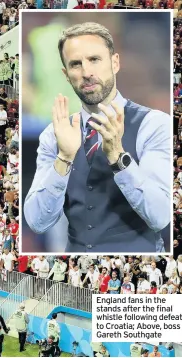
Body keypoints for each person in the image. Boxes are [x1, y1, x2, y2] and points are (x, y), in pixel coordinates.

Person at [24, 22, 171, 253]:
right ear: (66, 74)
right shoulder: (54, 135)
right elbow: (37, 222)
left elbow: (161, 217)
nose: (86, 72)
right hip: (76, 273)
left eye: (94, 59)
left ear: (115, 63)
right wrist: (63, 158)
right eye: (75, 64)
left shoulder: (154, 125)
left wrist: (118, 157)